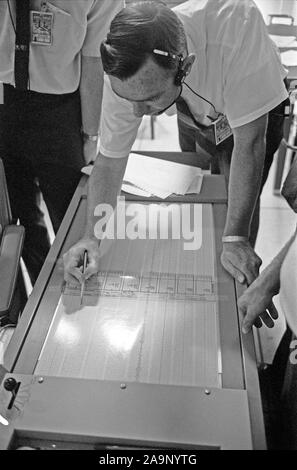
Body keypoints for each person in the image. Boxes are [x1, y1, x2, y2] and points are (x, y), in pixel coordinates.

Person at [63, 0, 288, 303]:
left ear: (186, 68)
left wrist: (236, 238)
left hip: (253, 107)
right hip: (191, 107)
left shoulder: (237, 27)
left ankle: (236, 279)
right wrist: (92, 235)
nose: (137, 112)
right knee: (198, 183)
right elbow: (109, 162)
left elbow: (249, 145)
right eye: (127, 97)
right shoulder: (127, 67)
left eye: (149, 99)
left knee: (237, 206)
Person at [0, 0, 124, 285]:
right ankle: (39, 297)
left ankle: (72, 298)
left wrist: (91, 134)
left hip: (60, 110)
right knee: (19, 220)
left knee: (71, 217)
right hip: (3, 101)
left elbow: (94, 58)